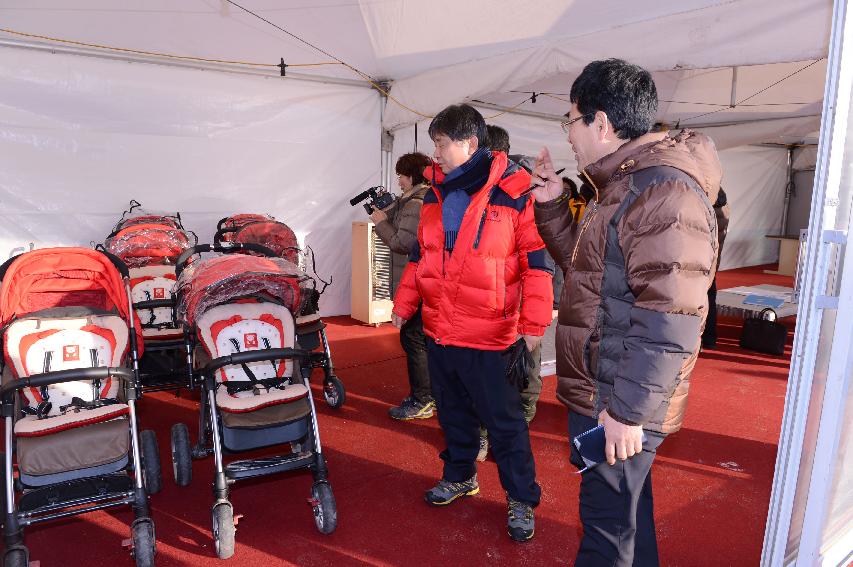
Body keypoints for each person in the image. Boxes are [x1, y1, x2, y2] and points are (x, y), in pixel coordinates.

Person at [531, 59, 721, 566]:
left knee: (606, 535)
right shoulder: (623, 185)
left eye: (571, 119)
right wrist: (552, 206)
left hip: (616, 396)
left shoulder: (660, 191)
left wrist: (627, 413)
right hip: (608, 387)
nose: (569, 133)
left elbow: (670, 317)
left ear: (601, 123)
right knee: (625, 523)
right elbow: (594, 273)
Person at [392, 104, 553, 542]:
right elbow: (420, 256)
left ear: (470, 143)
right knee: (452, 413)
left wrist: (534, 324)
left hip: (490, 335)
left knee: (504, 424)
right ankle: (461, 475)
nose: (437, 154)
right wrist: (406, 303)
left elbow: (537, 264)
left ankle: (521, 499)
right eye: (435, 145)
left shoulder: (514, 190)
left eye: (442, 144)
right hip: (440, 328)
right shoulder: (434, 193)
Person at [474, 124, 545, 462]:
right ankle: (490, 434)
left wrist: (538, 315)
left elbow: (542, 261)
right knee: (488, 383)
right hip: (487, 309)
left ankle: (516, 431)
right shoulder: (474, 193)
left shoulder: (525, 192)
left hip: (518, 306)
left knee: (526, 377)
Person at [369, 152, 435, 420]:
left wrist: (381, 223)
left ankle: (423, 399)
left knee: (413, 338)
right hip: (421, 281)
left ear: (412, 175)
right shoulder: (416, 200)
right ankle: (428, 395)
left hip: (418, 281)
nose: (398, 180)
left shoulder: (416, 203)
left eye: (401, 175)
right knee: (420, 338)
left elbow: (402, 243)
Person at [702, 187, 730, 349]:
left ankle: (703, 338)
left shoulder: (705, 210)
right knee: (710, 296)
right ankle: (710, 339)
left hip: (701, 261)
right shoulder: (724, 210)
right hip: (712, 261)